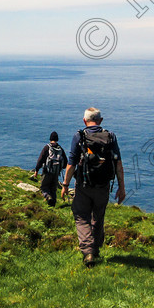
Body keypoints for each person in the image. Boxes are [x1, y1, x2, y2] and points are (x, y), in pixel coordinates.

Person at [61, 107, 126, 268]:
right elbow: (118, 162)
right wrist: (121, 187)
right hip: (103, 185)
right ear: (101, 120)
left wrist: (65, 185)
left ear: (84, 121)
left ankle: (88, 251)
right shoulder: (110, 136)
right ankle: (95, 249)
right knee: (98, 217)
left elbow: (71, 164)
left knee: (81, 216)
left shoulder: (80, 136)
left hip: (84, 185)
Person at [30, 131, 67, 207]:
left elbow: (40, 160)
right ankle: (53, 205)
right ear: (57, 139)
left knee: (44, 187)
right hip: (56, 173)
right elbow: (65, 162)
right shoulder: (60, 149)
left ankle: (48, 197)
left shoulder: (47, 148)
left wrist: (36, 170)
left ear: (50, 139)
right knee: (53, 189)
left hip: (47, 172)